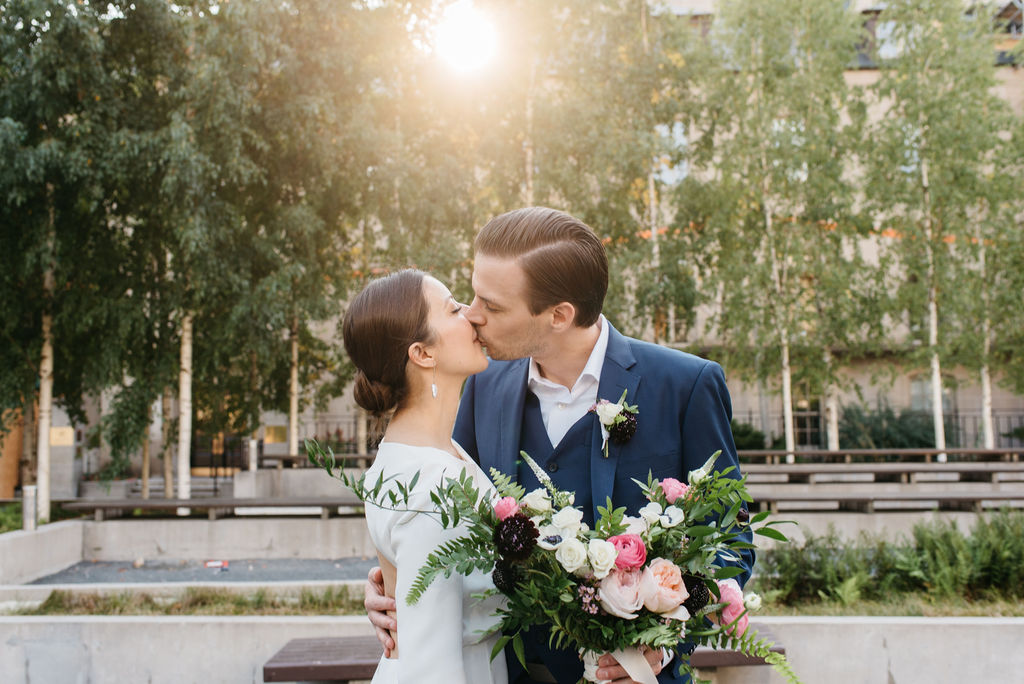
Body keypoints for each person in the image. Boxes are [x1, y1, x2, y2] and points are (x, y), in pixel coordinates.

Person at [365, 207, 755, 684]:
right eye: (472, 294)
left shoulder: (686, 385)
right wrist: (394, 583)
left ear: (559, 315)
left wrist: (666, 644)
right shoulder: (482, 387)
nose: (472, 313)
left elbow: (730, 541)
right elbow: (448, 516)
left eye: (493, 304)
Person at [343, 269, 507, 684]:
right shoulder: (430, 488)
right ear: (423, 353)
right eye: (453, 308)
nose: (470, 314)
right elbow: (432, 667)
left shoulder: (424, 451)